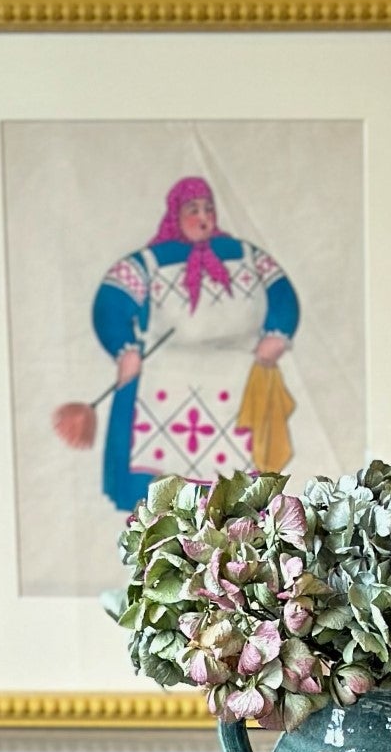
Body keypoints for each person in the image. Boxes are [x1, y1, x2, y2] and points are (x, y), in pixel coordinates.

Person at [56, 175, 300, 510]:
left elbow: (282, 294)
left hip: (236, 377)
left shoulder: (244, 254)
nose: (203, 217)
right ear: (176, 214)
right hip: (165, 381)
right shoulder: (149, 262)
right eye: (193, 209)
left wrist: (277, 333)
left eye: (208, 209)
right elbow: (110, 302)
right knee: (160, 494)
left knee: (237, 495)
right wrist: (124, 349)